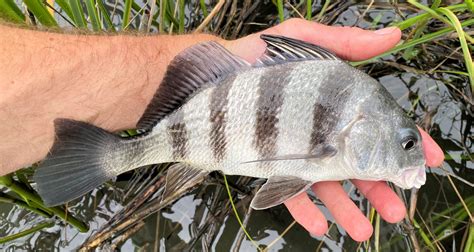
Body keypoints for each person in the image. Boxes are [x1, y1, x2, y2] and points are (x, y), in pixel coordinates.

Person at [0, 18, 444, 242]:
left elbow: (289, 174)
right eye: (407, 143)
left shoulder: (353, 112)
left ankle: (108, 154)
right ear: (363, 129)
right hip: (196, 127)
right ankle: (112, 155)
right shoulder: (347, 120)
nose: (413, 152)